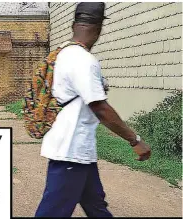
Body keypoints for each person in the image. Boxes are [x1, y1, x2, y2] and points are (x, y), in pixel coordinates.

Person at [35, 2, 151, 217]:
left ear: (73, 25)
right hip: (71, 150)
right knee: (52, 213)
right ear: (98, 29)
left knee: (97, 207)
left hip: (79, 150)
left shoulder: (64, 54)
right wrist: (135, 140)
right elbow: (101, 108)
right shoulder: (83, 60)